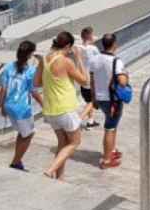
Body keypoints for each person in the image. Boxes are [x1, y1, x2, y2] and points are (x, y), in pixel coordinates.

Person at [34, 31, 90, 179]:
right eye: (70, 48)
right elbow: (85, 81)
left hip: (50, 110)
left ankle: (60, 177)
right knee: (75, 142)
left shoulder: (44, 60)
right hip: (65, 108)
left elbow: (36, 83)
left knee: (62, 143)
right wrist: (78, 58)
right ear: (67, 46)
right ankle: (50, 170)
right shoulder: (65, 61)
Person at [0, 41, 43, 171]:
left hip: (9, 106)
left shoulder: (8, 67)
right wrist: (44, 105)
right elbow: (33, 91)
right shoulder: (30, 71)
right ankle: (15, 162)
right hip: (22, 109)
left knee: (22, 133)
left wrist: (1, 106)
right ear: (30, 54)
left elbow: (3, 89)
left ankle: (17, 161)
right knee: (29, 134)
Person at [89, 33, 130, 169]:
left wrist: (93, 98)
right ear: (114, 44)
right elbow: (122, 83)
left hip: (100, 98)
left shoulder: (94, 60)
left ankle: (111, 151)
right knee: (109, 128)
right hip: (112, 100)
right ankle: (106, 160)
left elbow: (92, 80)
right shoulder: (116, 61)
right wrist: (125, 75)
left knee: (112, 125)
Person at [78, 27, 102, 129]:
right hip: (92, 79)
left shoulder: (78, 48)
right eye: (92, 34)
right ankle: (79, 119)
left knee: (89, 101)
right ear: (89, 36)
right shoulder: (93, 49)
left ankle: (90, 121)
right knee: (93, 101)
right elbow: (100, 61)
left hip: (82, 78)